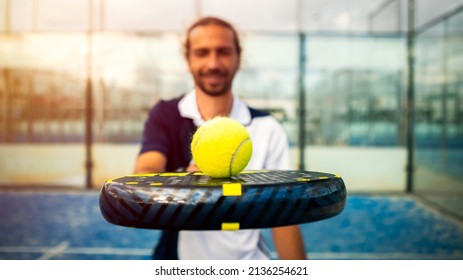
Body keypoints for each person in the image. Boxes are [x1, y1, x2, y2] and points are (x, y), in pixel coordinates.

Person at [134, 16, 306, 260]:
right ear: (188, 59)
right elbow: (146, 170)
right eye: (202, 53)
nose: (213, 63)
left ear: (238, 58)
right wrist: (185, 181)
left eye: (223, 52)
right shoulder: (165, 114)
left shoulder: (268, 128)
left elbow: (284, 217)